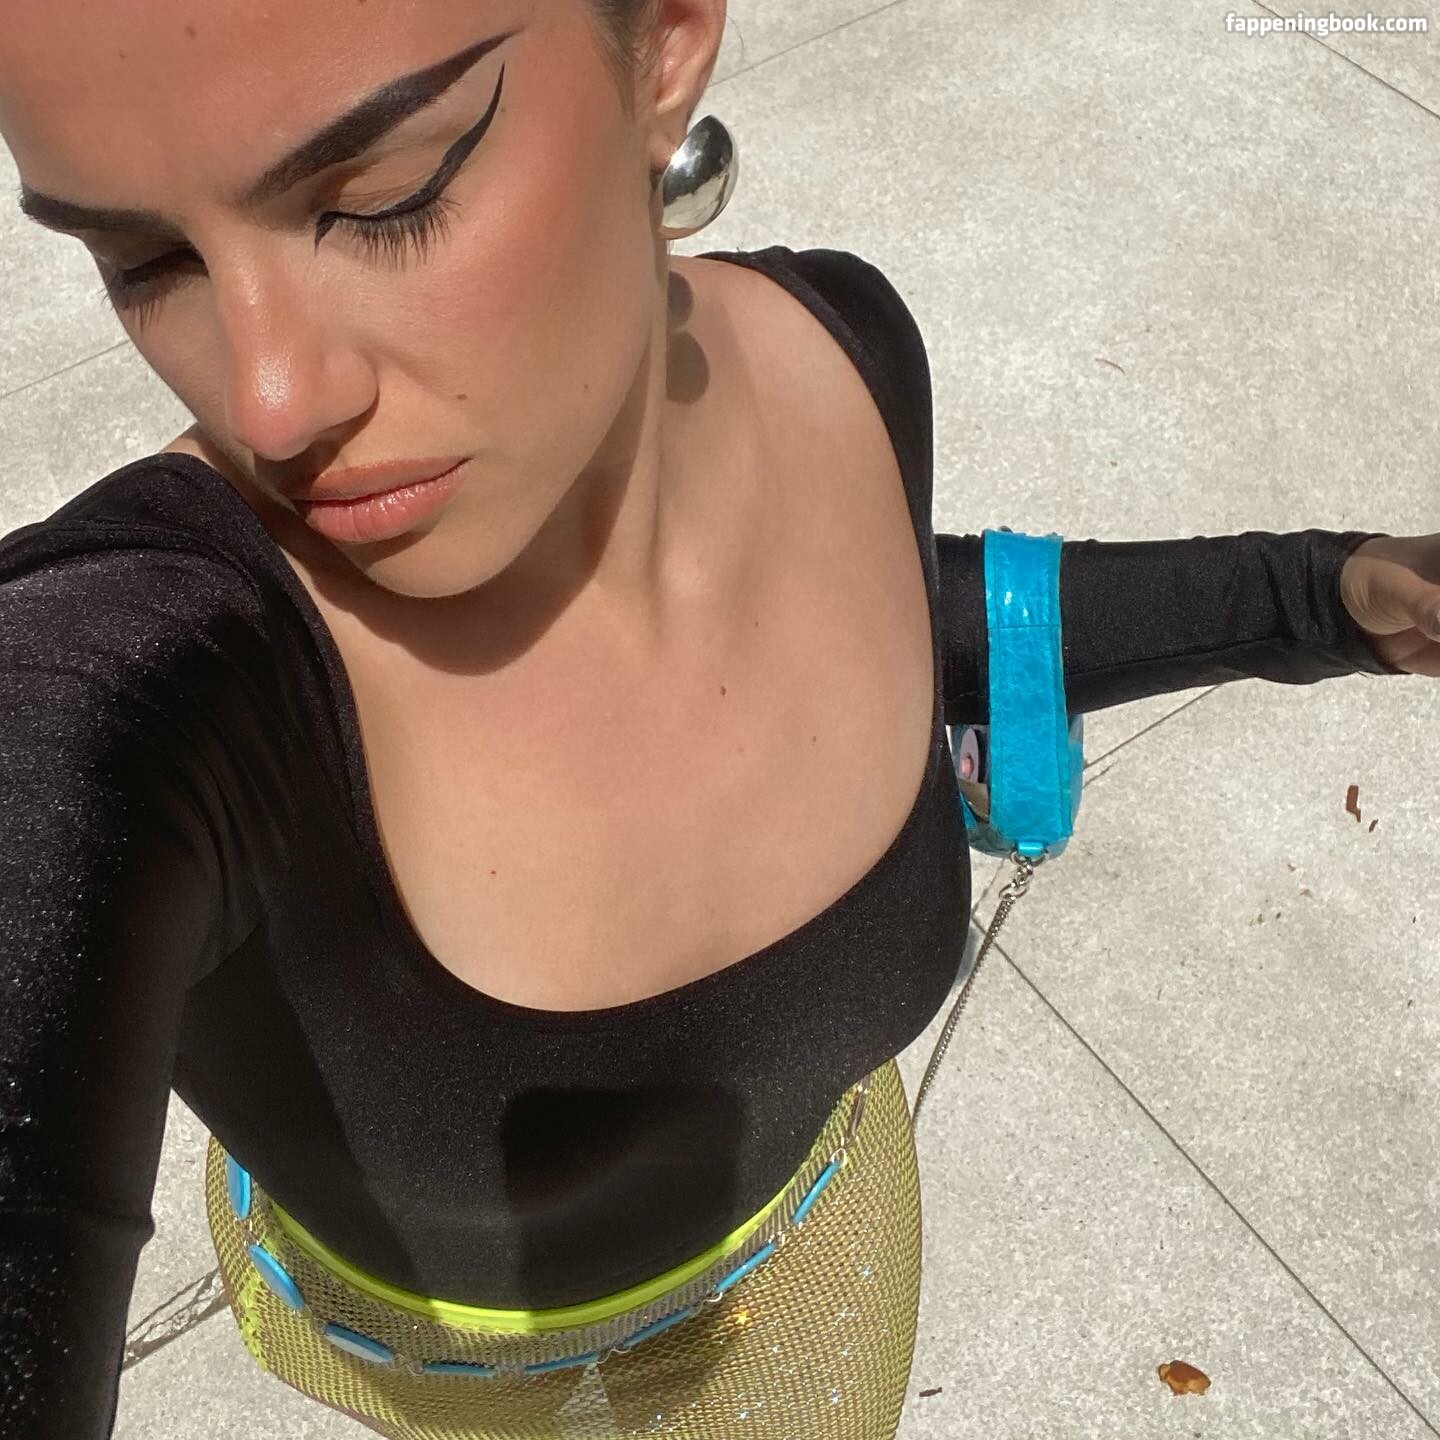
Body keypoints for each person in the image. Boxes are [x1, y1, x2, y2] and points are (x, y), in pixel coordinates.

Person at [1, 1, 1434, 1437]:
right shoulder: (151, 666)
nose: (269, 403)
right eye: (145, 261)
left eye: (384, 198)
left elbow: (915, 609)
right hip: (445, 1375)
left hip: (815, 1257)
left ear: (665, 44)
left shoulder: (847, 347)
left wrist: (1328, 597)